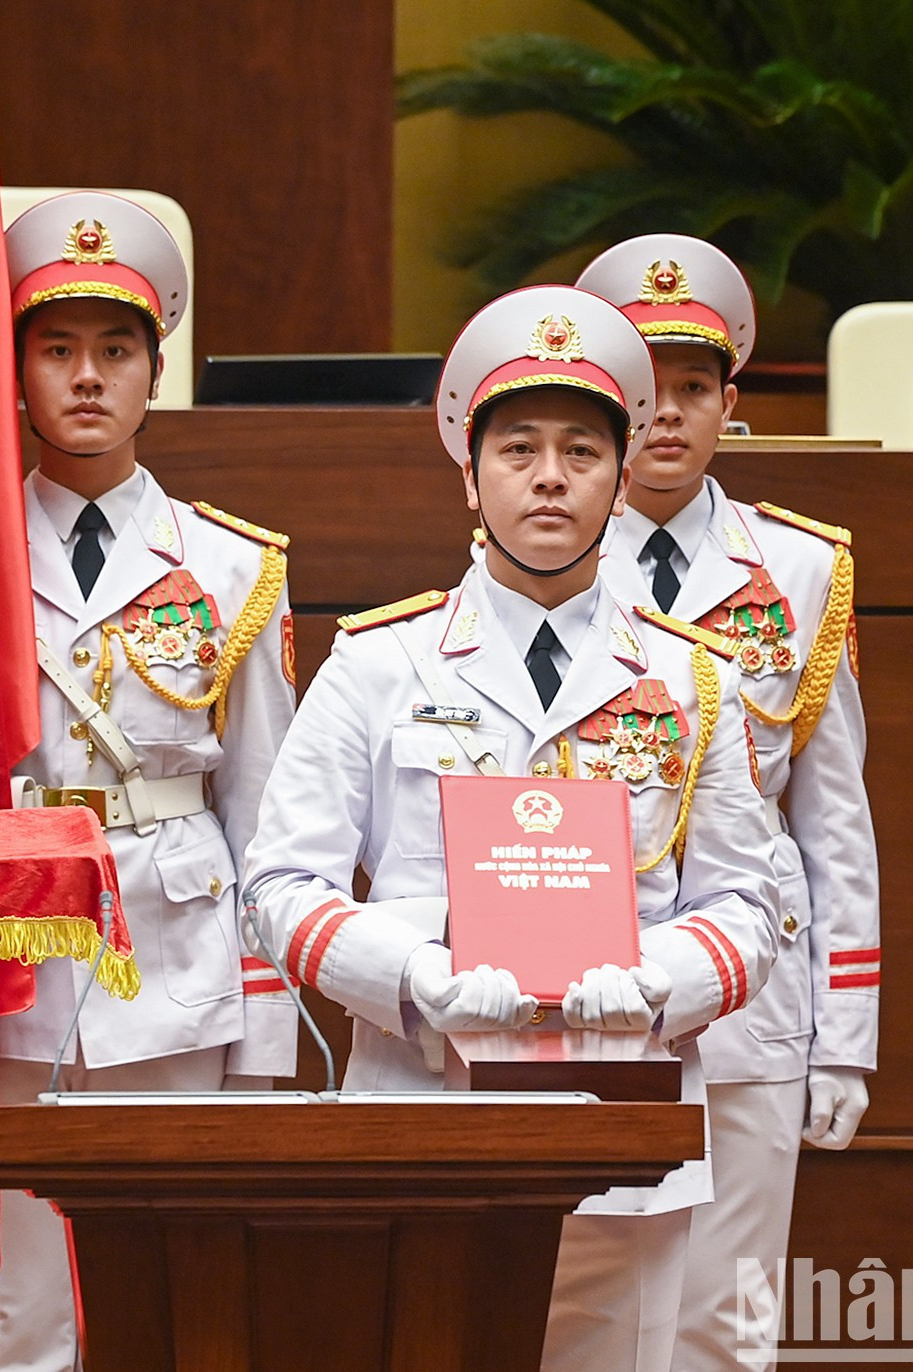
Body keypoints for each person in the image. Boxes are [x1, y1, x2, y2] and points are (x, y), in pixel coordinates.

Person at [240, 284, 780, 1372]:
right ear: (471, 471)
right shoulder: (379, 663)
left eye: (581, 450)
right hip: (418, 1106)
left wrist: (651, 978)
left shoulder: (691, 678)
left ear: (622, 476)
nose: (548, 476)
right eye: (518, 447)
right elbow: (279, 887)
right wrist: (416, 974)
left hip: (622, 1113)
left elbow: (750, 904)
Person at [0, 191, 298, 1372]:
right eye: (55, 350)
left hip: (180, 956)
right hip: (11, 955)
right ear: (15, 371)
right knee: (24, 1310)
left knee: (177, 1294)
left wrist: (263, 1026)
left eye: (115, 350)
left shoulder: (232, 563)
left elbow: (265, 810)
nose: (86, 378)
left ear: (158, 369)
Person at [577, 234, 879, 1372]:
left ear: (730, 403)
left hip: (759, 996)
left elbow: (834, 814)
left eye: (693, 386)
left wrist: (847, 1037)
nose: (667, 413)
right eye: (645, 385)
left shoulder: (797, 571)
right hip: (593, 969)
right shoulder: (545, 550)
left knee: (727, 1319)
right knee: (594, 1306)